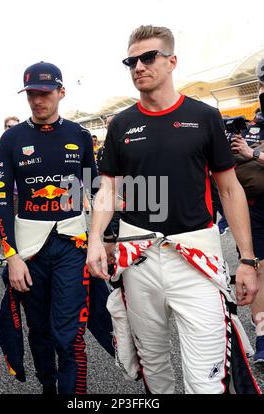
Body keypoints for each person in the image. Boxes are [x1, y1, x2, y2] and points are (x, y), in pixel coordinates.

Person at [87, 25, 259, 394]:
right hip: (140, 260)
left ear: (171, 61)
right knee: (154, 368)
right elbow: (108, 189)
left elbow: (229, 189)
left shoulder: (204, 116)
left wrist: (247, 260)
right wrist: (95, 241)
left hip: (197, 258)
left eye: (148, 57)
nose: (138, 67)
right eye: (131, 61)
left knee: (208, 378)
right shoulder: (121, 124)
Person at [0, 61, 112, 395]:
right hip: (28, 250)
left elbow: (94, 187)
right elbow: (3, 200)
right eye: (31, 93)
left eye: (44, 93)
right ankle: (49, 385)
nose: (37, 100)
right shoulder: (11, 139)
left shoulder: (79, 135)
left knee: (68, 331)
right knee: (39, 330)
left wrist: (108, 237)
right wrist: (11, 255)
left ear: (61, 92)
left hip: (72, 245)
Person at [231, 84, 264, 364]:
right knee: (259, 269)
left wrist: (252, 154)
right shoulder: (251, 125)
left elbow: (250, 157)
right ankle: (263, 338)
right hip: (256, 208)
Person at [0, 116, 20, 267]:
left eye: (16, 126)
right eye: (9, 126)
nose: (12, 129)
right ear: (4, 128)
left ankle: (13, 252)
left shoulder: (22, 144)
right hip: (3, 192)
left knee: (17, 225)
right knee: (0, 224)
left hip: (19, 191)